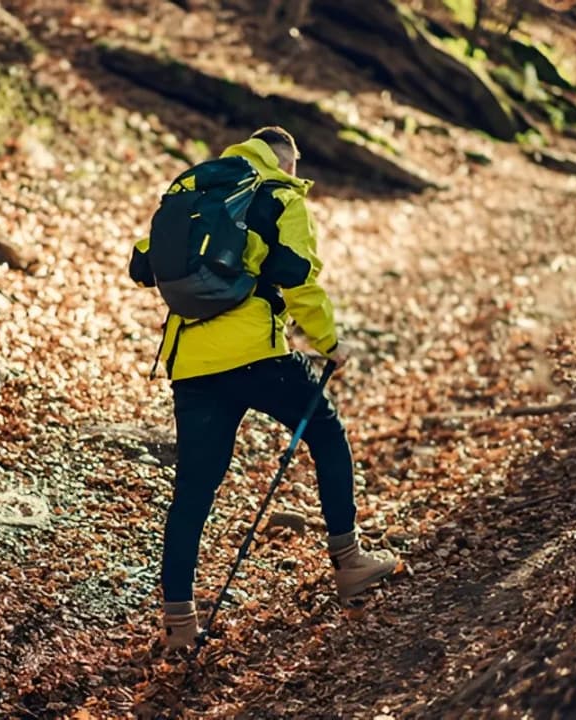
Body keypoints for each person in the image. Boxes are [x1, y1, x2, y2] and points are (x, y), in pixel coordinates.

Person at [129, 127, 397, 649]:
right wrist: (329, 341)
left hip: (192, 366)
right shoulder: (277, 196)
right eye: (296, 166)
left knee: (193, 490)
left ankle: (179, 625)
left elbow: (144, 262)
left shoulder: (195, 189)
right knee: (326, 433)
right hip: (257, 355)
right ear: (287, 160)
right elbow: (298, 279)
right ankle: (350, 562)